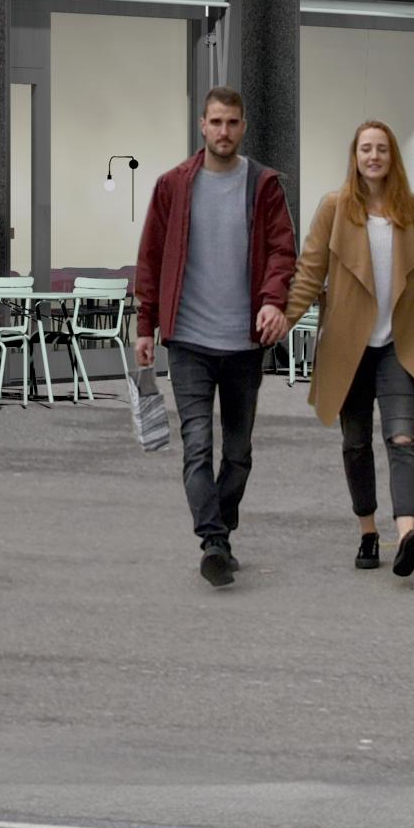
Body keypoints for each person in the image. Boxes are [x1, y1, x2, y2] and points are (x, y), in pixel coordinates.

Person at [121, 85, 292, 585]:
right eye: (216, 122)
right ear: (202, 125)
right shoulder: (174, 186)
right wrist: (145, 325)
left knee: (238, 453)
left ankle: (222, 529)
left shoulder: (263, 186)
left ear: (243, 126)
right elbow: (151, 258)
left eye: (232, 122)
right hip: (190, 341)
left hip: (244, 343)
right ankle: (213, 542)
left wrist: (272, 300)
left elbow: (283, 252)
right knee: (197, 445)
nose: (224, 131)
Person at [304, 113, 414, 576]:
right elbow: (309, 273)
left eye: (382, 149)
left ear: (393, 157)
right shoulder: (334, 208)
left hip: (399, 345)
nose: (374, 156)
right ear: (355, 157)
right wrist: (278, 320)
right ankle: (368, 531)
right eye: (366, 148)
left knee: (403, 438)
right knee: (355, 443)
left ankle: (408, 533)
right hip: (349, 347)